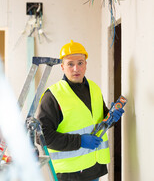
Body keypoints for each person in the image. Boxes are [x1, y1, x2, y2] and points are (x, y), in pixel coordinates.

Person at [37, 40, 124, 181]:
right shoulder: (53, 96)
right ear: (62, 67)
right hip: (69, 173)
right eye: (70, 64)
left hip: (94, 168)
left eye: (80, 63)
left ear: (86, 64)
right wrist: (79, 141)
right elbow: (42, 137)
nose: (76, 69)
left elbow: (98, 120)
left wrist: (111, 117)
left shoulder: (94, 88)